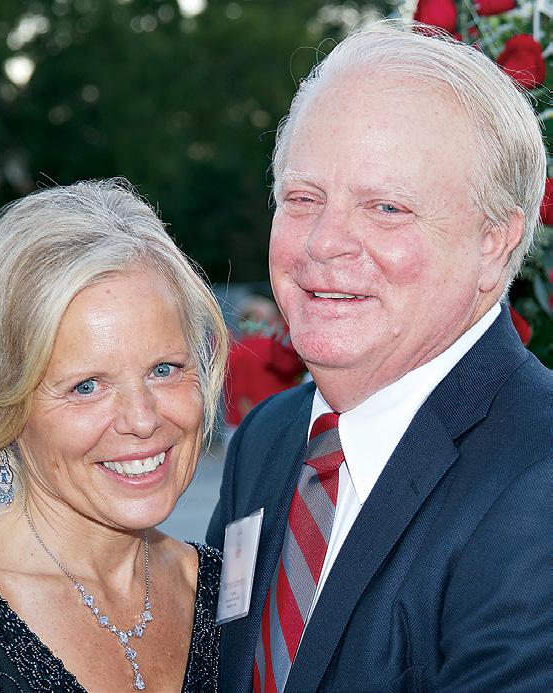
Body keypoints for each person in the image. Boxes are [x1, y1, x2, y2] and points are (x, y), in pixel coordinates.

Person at [207, 21, 552, 693]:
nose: (324, 242)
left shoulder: (538, 481)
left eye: (386, 207)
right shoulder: (268, 440)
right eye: (302, 198)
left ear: (493, 241)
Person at [0, 179, 229, 693]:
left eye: (164, 369)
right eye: (87, 386)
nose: (142, 419)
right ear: (10, 401)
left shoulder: (231, 596)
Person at [224, 295, 303, 430]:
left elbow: (240, 396)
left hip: (244, 425)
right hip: (276, 424)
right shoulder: (280, 348)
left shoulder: (235, 350)